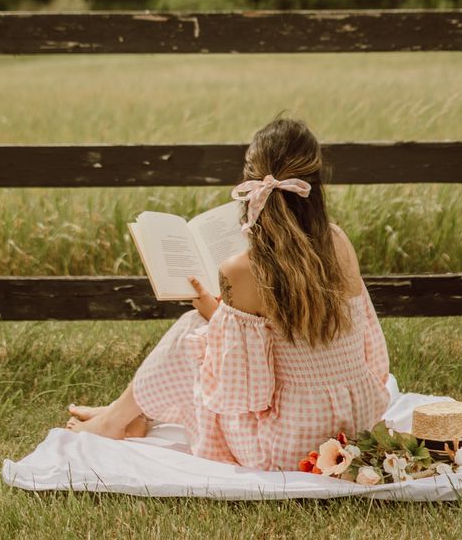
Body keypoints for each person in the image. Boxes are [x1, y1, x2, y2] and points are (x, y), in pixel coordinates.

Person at [64, 115, 391, 471]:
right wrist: (223, 317)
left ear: (249, 183)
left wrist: (214, 316)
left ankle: (116, 420)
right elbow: (368, 344)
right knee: (201, 328)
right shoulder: (338, 241)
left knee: (192, 329)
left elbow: (244, 390)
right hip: (354, 424)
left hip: (289, 446)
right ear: (315, 180)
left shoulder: (242, 269)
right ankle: (124, 413)